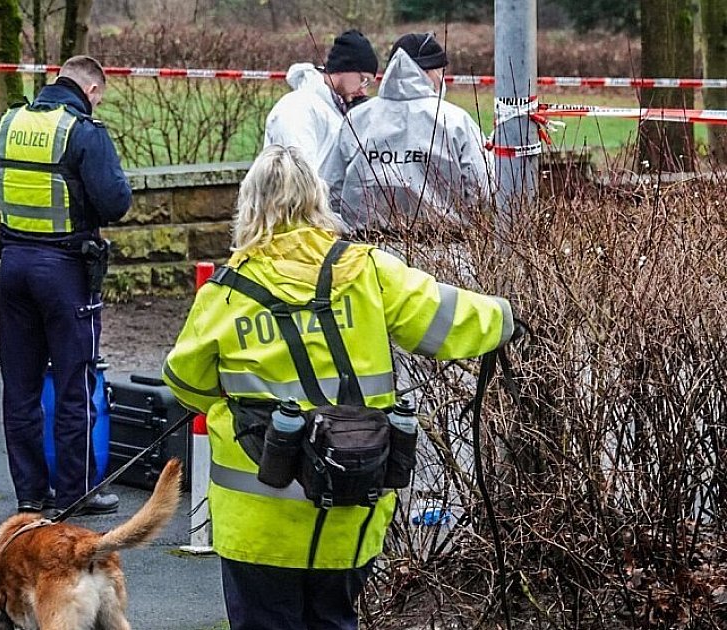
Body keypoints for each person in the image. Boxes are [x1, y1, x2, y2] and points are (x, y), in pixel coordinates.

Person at [162, 145, 515, 630]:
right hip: (350, 503)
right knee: (335, 618)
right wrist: (508, 317)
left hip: (258, 517)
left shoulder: (226, 291)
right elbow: (444, 320)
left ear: (248, 207)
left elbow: (187, 383)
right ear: (317, 200)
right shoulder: (367, 270)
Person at [0, 56, 132, 517]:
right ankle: (76, 492)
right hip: (66, 271)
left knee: (20, 387)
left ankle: (30, 494)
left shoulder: (7, 125)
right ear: (92, 91)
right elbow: (116, 203)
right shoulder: (84, 133)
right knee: (74, 382)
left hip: (13, 266)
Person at [325, 32, 493, 234]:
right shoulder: (455, 121)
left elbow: (331, 188)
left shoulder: (357, 120)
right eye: (440, 71)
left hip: (367, 252)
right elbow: (483, 189)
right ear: (430, 72)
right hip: (444, 251)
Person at [263, 29, 378, 182]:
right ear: (344, 68)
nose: (364, 90)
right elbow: (298, 181)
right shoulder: (297, 108)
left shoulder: (336, 110)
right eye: (364, 79)